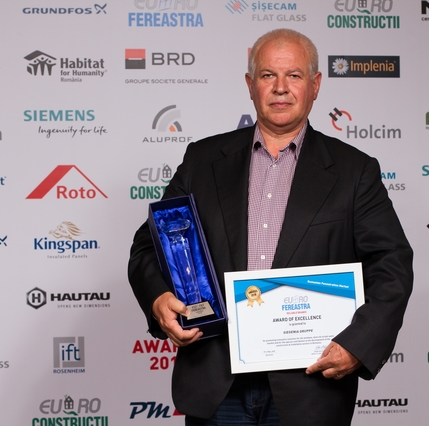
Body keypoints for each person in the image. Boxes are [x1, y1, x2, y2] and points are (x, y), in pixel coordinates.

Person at [128, 28, 413, 426]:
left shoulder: (354, 171)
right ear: (250, 85)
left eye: (294, 75)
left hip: (310, 389)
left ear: (315, 85)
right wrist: (159, 298)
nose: (281, 88)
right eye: (267, 75)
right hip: (217, 383)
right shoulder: (202, 160)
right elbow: (149, 245)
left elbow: (392, 264)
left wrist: (359, 345)